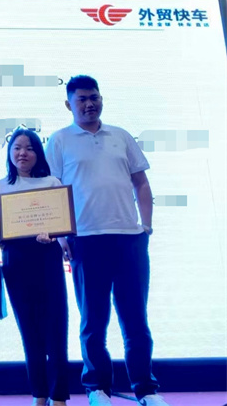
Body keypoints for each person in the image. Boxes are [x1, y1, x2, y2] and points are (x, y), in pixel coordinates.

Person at [46, 75, 168, 406]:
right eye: (82, 99)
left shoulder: (121, 135)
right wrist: (61, 236)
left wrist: (146, 226)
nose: (90, 104)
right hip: (85, 240)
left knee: (135, 319)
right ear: (69, 104)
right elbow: (53, 192)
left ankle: (146, 389)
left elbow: (141, 183)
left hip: (129, 239)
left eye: (94, 97)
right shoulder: (59, 140)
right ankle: (97, 388)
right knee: (93, 320)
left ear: (101, 99)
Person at [0, 128, 69, 406]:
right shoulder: (0, 186)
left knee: (56, 326)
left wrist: (54, 234)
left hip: (46, 255)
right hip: (15, 259)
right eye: (16, 148)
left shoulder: (51, 182)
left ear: (38, 153)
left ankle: (58, 396)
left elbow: (61, 223)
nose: (22, 153)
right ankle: (39, 394)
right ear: (9, 153)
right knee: (28, 328)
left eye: (29, 148)